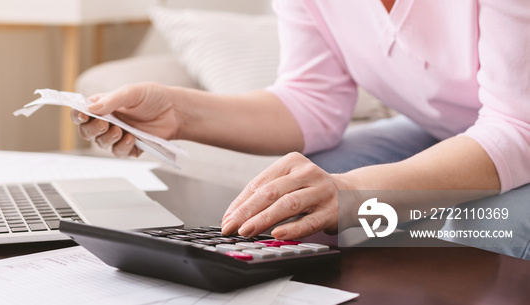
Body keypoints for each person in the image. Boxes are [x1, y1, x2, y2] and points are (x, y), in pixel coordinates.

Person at [72, 0, 530, 258]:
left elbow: (516, 126)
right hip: (450, 129)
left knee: (484, 227)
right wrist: (180, 113)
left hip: (516, 130)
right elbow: (314, 101)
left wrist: (353, 191)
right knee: (295, 198)